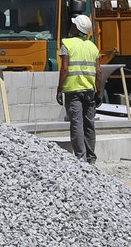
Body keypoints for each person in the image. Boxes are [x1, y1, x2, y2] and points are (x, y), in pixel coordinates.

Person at [57, 13, 102, 165]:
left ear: (77, 29)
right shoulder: (93, 47)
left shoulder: (67, 44)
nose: (71, 27)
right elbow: (99, 72)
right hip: (90, 91)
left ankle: (80, 159)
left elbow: (64, 69)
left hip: (73, 91)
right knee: (89, 124)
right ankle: (91, 158)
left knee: (77, 124)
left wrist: (59, 89)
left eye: (73, 25)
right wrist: (99, 92)